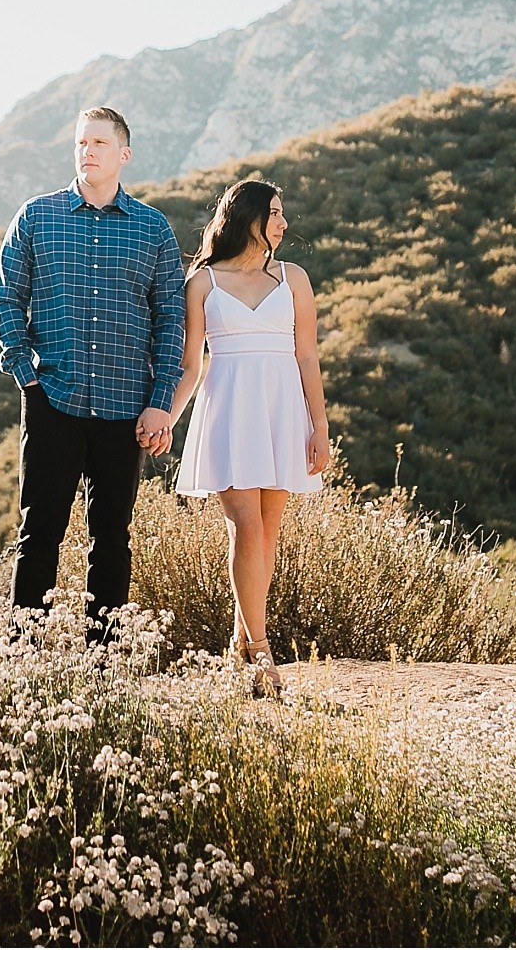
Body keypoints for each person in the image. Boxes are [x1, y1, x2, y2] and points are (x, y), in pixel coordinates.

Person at [0, 104, 187, 631]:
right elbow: (7, 299)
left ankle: (103, 665)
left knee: (112, 537)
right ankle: (22, 660)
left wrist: (160, 399)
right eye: (81, 142)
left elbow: (171, 319)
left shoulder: (154, 229)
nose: (87, 151)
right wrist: (25, 373)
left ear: (124, 154)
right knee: (40, 532)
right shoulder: (37, 216)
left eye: (99, 143)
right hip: (53, 396)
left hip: (126, 405)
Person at [171, 177, 332, 691]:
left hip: (282, 409)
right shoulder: (202, 282)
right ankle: (261, 652)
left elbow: (307, 355)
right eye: (276, 213)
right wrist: (166, 418)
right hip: (229, 409)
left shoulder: (295, 278)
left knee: (267, 532)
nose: (285, 223)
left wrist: (320, 427)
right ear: (249, 216)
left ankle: (240, 641)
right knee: (244, 526)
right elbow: (191, 364)